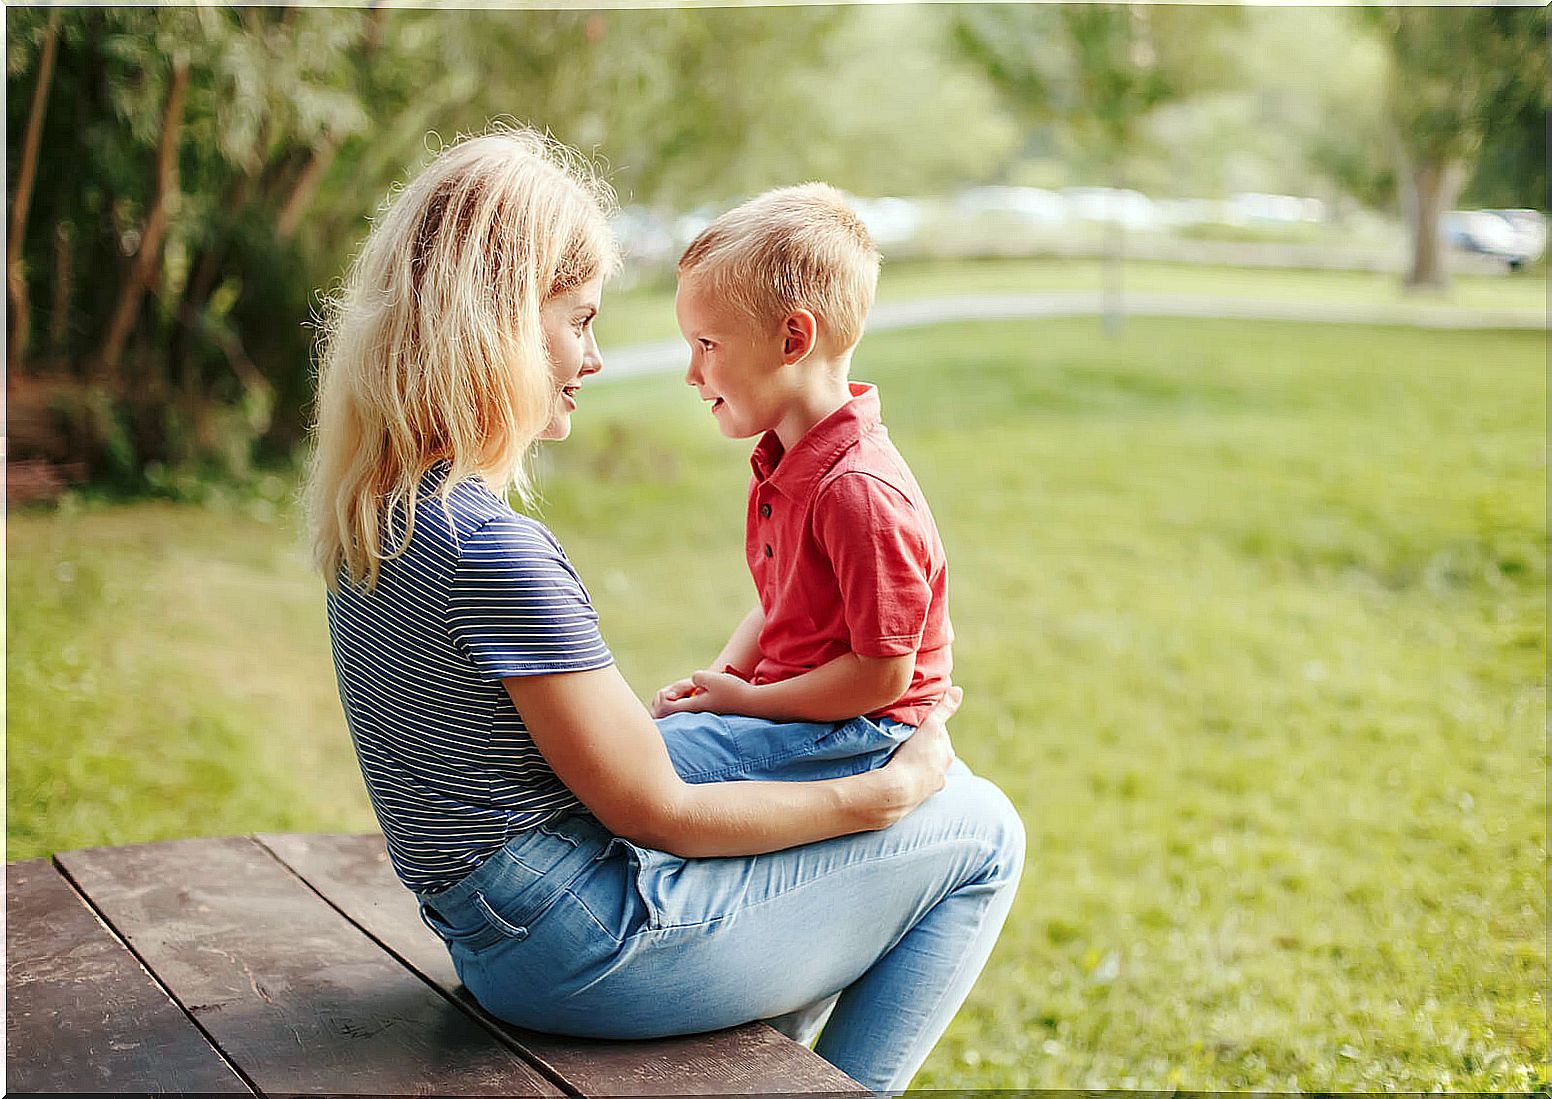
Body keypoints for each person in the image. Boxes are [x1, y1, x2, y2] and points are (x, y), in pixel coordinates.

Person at [304, 126, 1024, 1095]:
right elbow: (660, 811)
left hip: (496, 933)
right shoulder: (492, 550)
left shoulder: (381, 514)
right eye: (580, 320)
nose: (595, 358)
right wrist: (879, 797)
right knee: (981, 830)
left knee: (714, 755)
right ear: (501, 323)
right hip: (585, 951)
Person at [649, 184, 952, 791]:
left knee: (633, 772)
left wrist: (747, 703)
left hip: (863, 728)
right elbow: (780, 605)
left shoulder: (856, 491)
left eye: (707, 345)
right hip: (802, 708)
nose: (691, 373)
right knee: (638, 750)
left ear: (793, 340)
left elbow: (881, 676)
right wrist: (716, 683)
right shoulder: (788, 463)